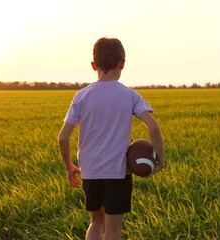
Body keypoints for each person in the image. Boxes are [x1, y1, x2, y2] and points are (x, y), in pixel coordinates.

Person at [58, 37, 164, 240]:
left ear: (93, 65)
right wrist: (161, 160)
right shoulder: (130, 95)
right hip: (118, 173)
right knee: (113, 230)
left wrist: (69, 165)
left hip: (90, 171)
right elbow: (153, 126)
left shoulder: (81, 96)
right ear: (122, 63)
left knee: (96, 222)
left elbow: (63, 138)